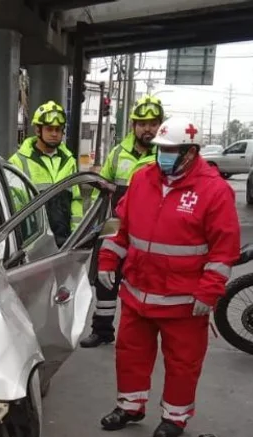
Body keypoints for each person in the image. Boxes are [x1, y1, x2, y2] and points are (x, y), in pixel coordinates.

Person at [97, 116, 240, 437]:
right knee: (130, 353)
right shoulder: (142, 179)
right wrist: (107, 258)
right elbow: (118, 223)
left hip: (184, 299)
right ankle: (130, 406)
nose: (163, 155)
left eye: (171, 150)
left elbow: (224, 249)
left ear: (191, 152)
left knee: (183, 362)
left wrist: (209, 291)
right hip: (137, 291)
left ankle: (175, 417)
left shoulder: (214, 191)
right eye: (161, 149)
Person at [81, 94, 165, 349]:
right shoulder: (118, 153)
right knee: (104, 276)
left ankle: (147, 332)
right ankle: (102, 330)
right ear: (133, 126)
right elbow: (103, 185)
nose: (148, 129)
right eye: (142, 123)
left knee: (148, 278)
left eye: (153, 123)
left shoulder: (166, 154)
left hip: (150, 227)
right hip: (115, 222)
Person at [9, 101, 81, 245]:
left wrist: (76, 235)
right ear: (38, 130)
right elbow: (13, 205)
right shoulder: (18, 161)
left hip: (64, 242)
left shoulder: (69, 162)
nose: (54, 134)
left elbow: (76, 200)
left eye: (58, 129)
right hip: (32, 244)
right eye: (49, 129)